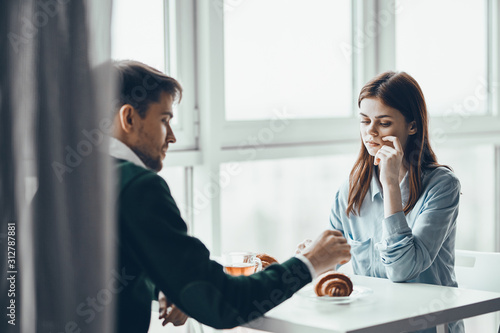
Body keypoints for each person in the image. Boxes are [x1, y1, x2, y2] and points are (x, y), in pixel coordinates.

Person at [108, 60, 351, 333]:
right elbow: (224, 302)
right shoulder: (139, 186)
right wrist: (309, 262)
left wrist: (166, 282)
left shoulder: (76, 181)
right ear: (128, 118)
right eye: (164, 120)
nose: (172, 137)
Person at [326, 71, 464, 333]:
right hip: (372, 323)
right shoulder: (352, 189)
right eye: (364, 121)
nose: (371, 132)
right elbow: (328, 259)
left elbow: (402, 270)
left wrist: (390, 184)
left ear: (412, 126)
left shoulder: (442, 186)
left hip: (427, 327)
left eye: (384, 123)